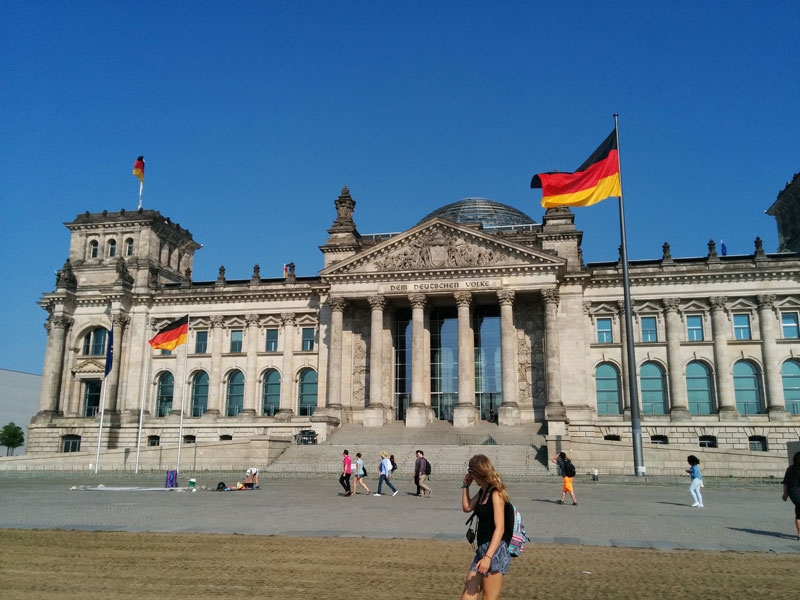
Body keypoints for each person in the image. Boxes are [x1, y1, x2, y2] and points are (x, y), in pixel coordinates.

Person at [460, 454, 511, 600]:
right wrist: (465, 485)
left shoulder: (496, 493)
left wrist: (488, 557)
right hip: (482, 550)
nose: (470, 475)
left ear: (476, 472)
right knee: (467, 596)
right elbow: (467, 507)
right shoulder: (484, 491)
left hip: (495, 551)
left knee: (489, 597)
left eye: (470, 472)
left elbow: (500, 528)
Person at [781, 451, 800, 540]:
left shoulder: (790, 469)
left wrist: (785, 494)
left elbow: (786, 483)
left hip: (794, 494)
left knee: (799, 514)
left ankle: (799, 534)